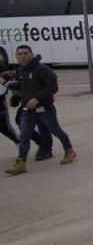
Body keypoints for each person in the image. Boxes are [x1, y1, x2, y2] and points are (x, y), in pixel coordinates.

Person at [4, 45, 76, 176]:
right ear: (16, 56)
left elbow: (53, 87)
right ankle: (21, 162)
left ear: (31, 54)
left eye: (25, 53)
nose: (23, 56)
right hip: (28, 110)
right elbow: (22, 86)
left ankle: (69, 150)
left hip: (45, 108)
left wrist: (37, 99)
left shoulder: (42, 69)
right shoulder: (20, 70)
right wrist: (10, 87)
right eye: (19, 54)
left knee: (56, 130)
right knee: (25, 134)